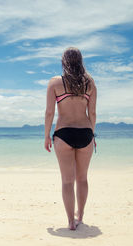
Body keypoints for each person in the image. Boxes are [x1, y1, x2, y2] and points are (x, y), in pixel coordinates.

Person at [44, 47, 97, 230]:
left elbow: (50, 112)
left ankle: (70, 222)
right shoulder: (90, 83)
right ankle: (80, 217)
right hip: (85, 132)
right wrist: (92, 135)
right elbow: (93, 113)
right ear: (80, 61)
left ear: (63, 61)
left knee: (67, 180)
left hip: (64, 133)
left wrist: (46, 137)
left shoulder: (55, 83)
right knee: (82, 178)